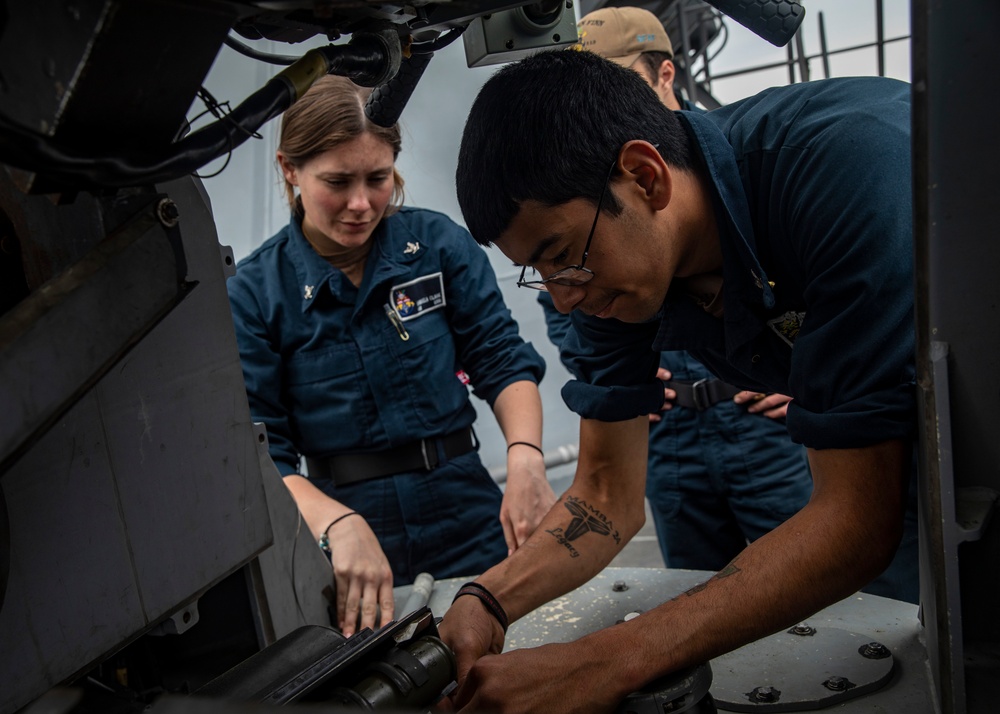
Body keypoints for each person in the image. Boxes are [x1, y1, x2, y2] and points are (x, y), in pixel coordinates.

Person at [439, 49, 918, 713]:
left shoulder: (843, 170)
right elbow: (607, 493)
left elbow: (858, 519)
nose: (564, 297)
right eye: (537, 273)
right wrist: (485, 600)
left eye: (558, 257)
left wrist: (600, 664)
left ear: (645, 177)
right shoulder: (617, 276)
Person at [227, 75, 555, 637]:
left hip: (467, 513)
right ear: (289, 169)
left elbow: (500, 359)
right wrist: (336, 523)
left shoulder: (438, 246)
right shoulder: (256, 294)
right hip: (351, 541)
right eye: (337, 181)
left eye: (377, 178)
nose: (360, 204)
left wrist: (526, 458)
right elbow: (264, 453)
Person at [539, 5, 813, 572]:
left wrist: (810, 377)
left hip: (762, 427)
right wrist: (620, 371)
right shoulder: (591, 200)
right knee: (690, 593)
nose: (603, 108)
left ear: (666, 75)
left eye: (618, 83)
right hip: (671, 435)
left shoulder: (747, 164)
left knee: (809, 590)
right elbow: (565, 303)